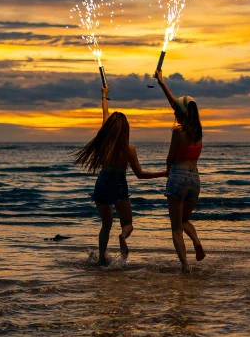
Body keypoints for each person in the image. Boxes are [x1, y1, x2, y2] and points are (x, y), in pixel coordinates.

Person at [74, 84, 167, 265]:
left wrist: (104, 95)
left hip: (102, 185)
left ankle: (101, 259)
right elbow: (140, 175)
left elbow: (105, 113)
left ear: (109, 128)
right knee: (127, 223)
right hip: (118, 186)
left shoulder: (103, 144)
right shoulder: (129, 150)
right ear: (125, 130)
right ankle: (123, 236)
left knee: (106, 225)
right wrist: (164, 173)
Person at [154, 69, 205, 273]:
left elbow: (170, 156)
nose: (174, 112)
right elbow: (177, 105)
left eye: (177, 110)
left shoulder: (178, 132)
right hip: (195, 179)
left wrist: (168, 172)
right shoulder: (199, 133)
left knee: (176, 227)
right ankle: (197, 241)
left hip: (178, 176)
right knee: (184, 220)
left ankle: (185, 266)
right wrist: (161, 83)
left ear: (181, 113)